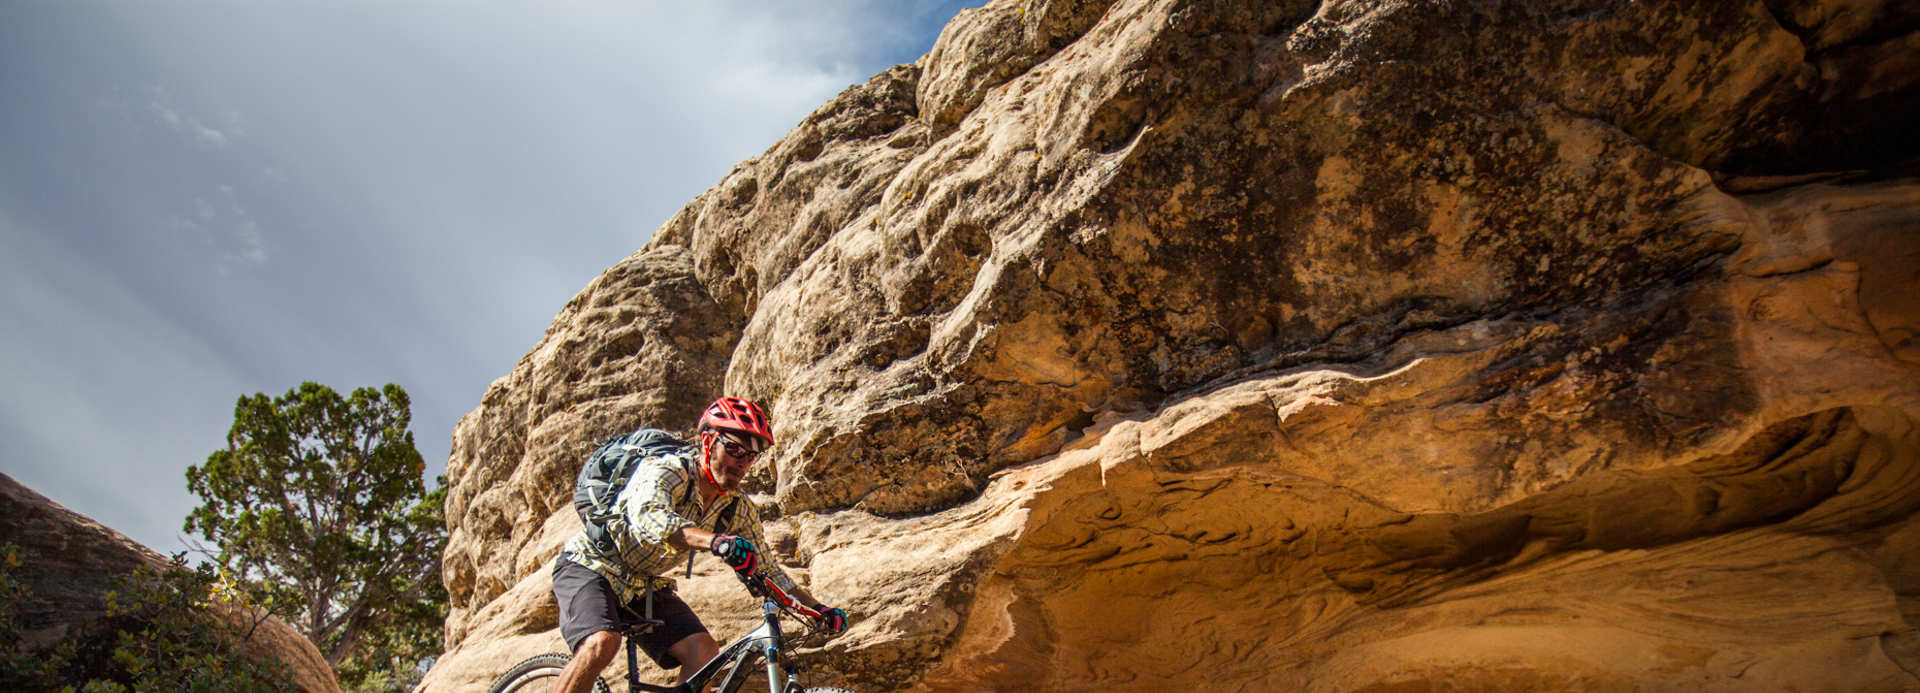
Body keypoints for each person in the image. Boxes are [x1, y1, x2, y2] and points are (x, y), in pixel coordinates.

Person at [551, 396, 848, 693]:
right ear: (708, 441)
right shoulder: (667, 470)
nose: (742, 462)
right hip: (592, 566)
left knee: (704, 652)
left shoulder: (737, 509)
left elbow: (769, 571)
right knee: (602, 642)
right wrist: (715, 542)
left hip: (645, 586)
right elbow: (653, 519)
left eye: (751, 456)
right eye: (734, 449)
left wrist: (818, 609)